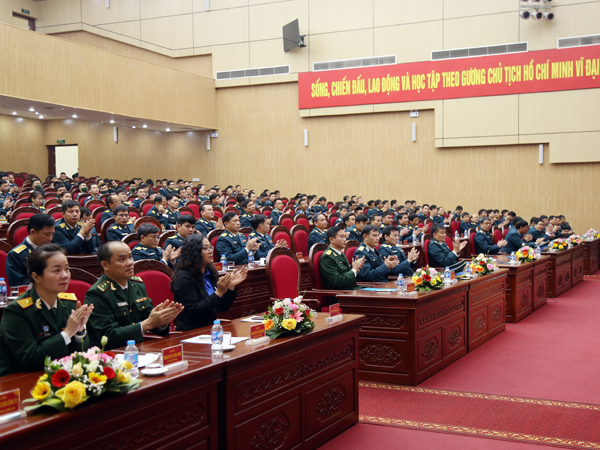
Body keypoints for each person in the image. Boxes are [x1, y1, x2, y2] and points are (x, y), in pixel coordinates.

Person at [0, 244, 93, 376]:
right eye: (57, 271)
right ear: (36, 277)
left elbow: (81, 354)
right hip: (21, 381)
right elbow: (30, 358)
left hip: (61, 376)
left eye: (67, 269)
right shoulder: (16, 311)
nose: (65, 276)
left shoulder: (69, 304)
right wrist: (67, 333)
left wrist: (79, 331)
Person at [85, 241, 184, 349]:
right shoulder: (97, 293)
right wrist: (147, 324)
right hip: (111, 355)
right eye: (122, 259)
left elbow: (149, 317)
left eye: (130, 257)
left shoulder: (137, 285)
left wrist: (162, 321)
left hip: (137, 350)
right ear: (105, 265)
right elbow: (108, 336)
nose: (130, 263)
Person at [172, 235, 247, 331]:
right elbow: (195, 312)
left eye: (210, 247)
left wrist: (231, 286)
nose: (210, 251)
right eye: (205, 248)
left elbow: (223, 307)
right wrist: (219, 292)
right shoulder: (183, 278)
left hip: (210, 329)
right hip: (191, 332)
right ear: (193, 252)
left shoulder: (210, 273)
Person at [6, 214, 56, 288]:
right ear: (33, 232)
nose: (50, 238)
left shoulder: (51, 250)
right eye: (47, 234)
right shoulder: (16, 255)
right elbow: (18, 284)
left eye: (52, 234)